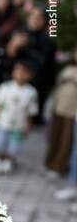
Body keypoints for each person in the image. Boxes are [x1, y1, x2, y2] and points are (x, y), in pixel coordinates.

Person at [0, 60, 38, 174]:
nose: (20, 74)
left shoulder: (31, 92)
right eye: (17, 70)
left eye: (24, 72)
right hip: (3, 122)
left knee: (14, 145)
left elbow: (31, 112)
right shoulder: (6, 87)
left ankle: (8, 160)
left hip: (19, 125)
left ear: (30, 75)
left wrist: (28, 126)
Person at [46, 49, 77, 177]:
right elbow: (57, 86)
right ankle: (49, 162)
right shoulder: (67, 68)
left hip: (72, 113)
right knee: (54, 137)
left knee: (66, 141)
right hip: (59, 107)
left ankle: (59, 167)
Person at [23, 6, 57, 124]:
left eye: (38, 18)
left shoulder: (47, 39)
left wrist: (27, 47)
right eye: (32, 16)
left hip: (38, 83)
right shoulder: (23, 32)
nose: (34, 20)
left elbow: (44, 61)